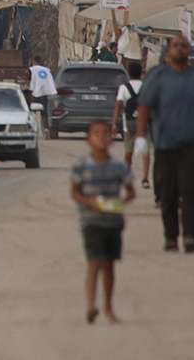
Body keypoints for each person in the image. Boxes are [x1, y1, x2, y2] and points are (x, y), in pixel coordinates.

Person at [136, 35, 194, 253]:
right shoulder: (158, 76)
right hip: (165, 144)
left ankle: (190, 235)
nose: (180, 49)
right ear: (168, 52)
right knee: (168, 192)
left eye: (184, 45)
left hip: (193, 143)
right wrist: (141, 136)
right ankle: (171, 236)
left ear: (189, 51)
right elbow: (144, 106)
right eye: (175, 46)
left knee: (189, 188)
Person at [71, 119, 136, 324]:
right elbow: (75, 192)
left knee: (109, 266)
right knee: (94, 262)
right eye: (96, 133)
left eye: (105, 133)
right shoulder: (81, 165)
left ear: (111, 139)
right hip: (90, 221)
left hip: (114, 222)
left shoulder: (119, 166)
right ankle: (91, 305)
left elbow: (131, 192)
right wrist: (88, 202)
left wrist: (120, 202)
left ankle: (108, 307)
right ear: (88, 140)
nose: (101, 137)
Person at [111, 62, 149, 190]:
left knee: (128, 151)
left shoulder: (124, 87)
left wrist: (114, 123)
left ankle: (126, 176)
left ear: (129, 74)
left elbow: (119, 105)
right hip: (144, 122)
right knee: (146, 152)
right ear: (141, 73)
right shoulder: (146, 86)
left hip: (129, 123)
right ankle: (145, 178)